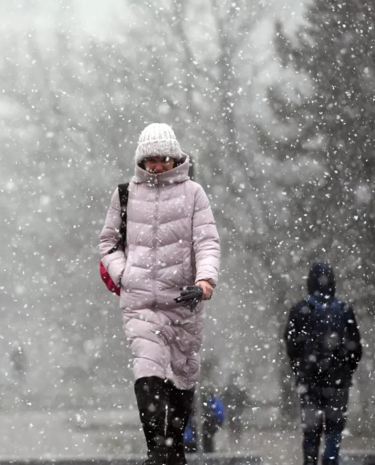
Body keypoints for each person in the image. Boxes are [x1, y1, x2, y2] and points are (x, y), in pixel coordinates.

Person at [99, 123, 220, 465]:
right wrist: (125, 274)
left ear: (175, 157)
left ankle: (173, 451)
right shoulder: (125, 194)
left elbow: (207, 241)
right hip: (141, 305)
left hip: (184, 304)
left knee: (181, 383)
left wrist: (205, 282)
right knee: (148, 372)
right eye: (149, 159)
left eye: (163, 158)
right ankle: (157, 451)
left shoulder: (194, 193)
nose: (156, 166)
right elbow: (108, 243)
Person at [284, 262, 362, 465]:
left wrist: (301, 371)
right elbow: (356, 348)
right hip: (337, 382)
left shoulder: (299, 310)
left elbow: (291, 348)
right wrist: (345, 370)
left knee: (311, 433)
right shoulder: (344, 310)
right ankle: (330, 460)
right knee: (334, 430)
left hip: (309, 383)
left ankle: (310, 462)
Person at [221, 375, 250, 444]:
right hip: (234, 410)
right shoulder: (232, 389)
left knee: (235, 424)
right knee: (234, 424)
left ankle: (235, 437)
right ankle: (235, 437)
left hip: (235, 410)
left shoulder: (234, 389)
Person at [200, 386, 225, 454]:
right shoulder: (211, 399)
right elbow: (220, 416)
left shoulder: (210, 400)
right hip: (207, 431)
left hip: (205, 430)